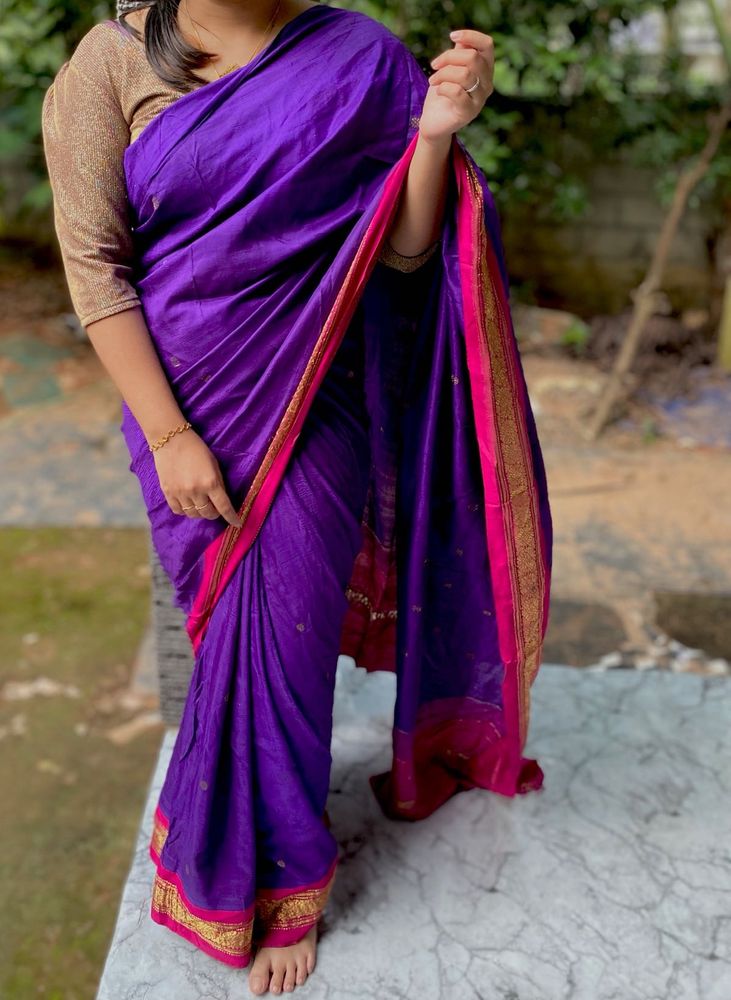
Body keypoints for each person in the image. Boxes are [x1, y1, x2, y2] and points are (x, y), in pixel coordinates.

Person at [41, 0, 553, 994]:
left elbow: (403, 252)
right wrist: (170, 433)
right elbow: (95, 272)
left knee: (284, 640)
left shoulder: (354, 54)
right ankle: (238, 844)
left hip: (315, 402)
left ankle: (280, 879)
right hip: (183, 410)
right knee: (231, 637)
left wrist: (434, 139)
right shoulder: (106, 68)